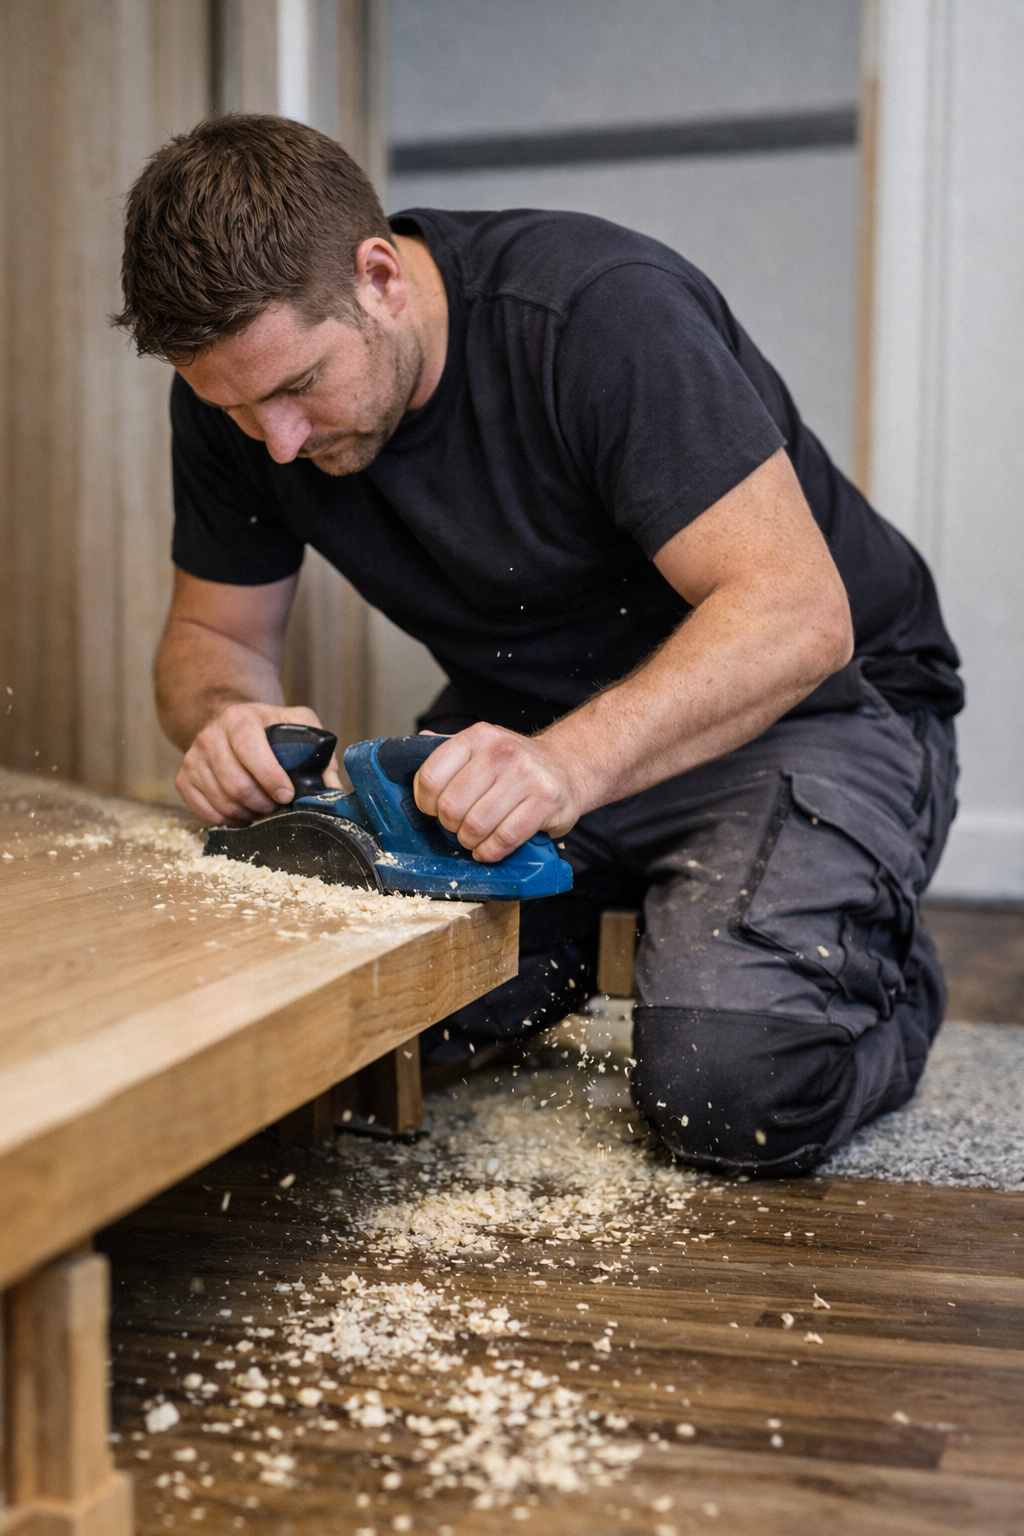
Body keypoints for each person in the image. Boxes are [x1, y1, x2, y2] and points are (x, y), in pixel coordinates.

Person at [116, 115, 962, 1177]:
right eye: (236, 408)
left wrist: (563, 765)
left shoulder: (596, 314)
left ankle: (874, 971)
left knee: (732, 1088)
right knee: (339, 1031)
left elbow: (797, 617)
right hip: (531, 736)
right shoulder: (240, 394)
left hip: (813, 711)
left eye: (297, 388)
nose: (276, 441)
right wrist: (227, 719)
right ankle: (619, 921)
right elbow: (209, 638)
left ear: (378, 278)